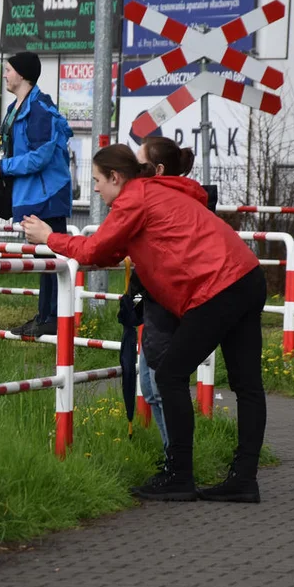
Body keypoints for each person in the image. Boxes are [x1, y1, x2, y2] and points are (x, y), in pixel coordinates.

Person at [22, 144, 266, 504]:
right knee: (247, 385)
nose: (94, 189)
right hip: (246, 275)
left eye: (97, 181)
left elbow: (93, 252)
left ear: (116, 178)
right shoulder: (159, 189)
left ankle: (179, 475)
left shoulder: (134, 199)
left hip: (217, 287)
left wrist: (49, 237)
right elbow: (111, 251)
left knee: (170, 374)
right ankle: (243, 478)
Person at [0, 52, 73, 338]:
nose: (5, 75)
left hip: (48, 195)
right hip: (34, 193)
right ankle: (45, 316)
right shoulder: (18, 107)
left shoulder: (39, 109)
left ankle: (54, 319)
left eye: (8, 70)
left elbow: (41, 157)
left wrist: (6, 166)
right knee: (45, 262)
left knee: (54, 262)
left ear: (22, 74)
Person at [130, 137, 200, 454]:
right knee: (149, 387)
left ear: (157, 170)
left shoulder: (167, 202)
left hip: (170, 304)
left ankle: (177, 461)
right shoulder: (158, 199)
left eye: (139, 163)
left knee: (160, 386)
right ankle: (172, 456)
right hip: (157, 302)